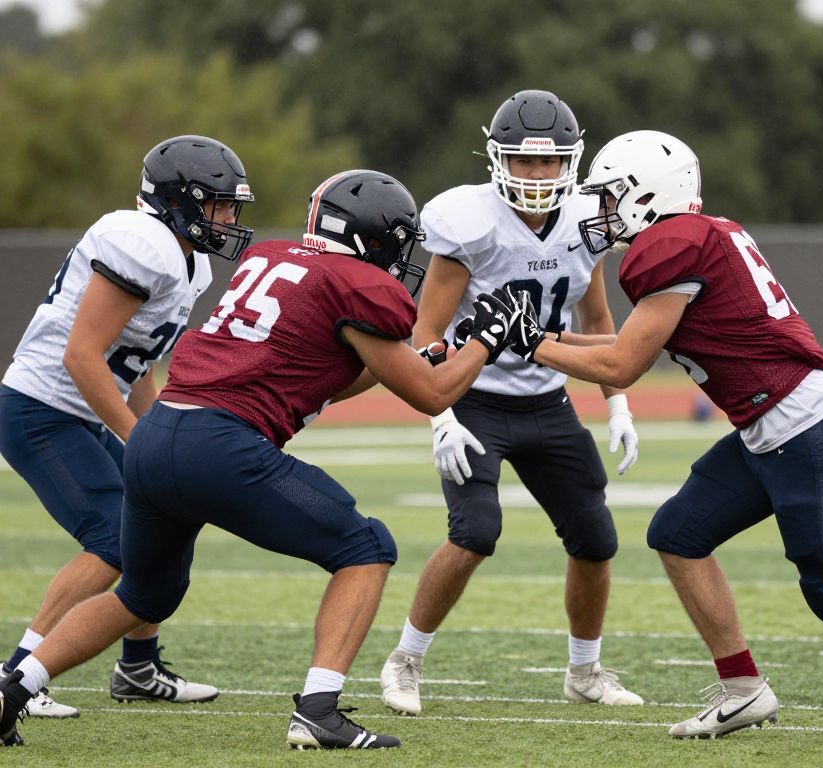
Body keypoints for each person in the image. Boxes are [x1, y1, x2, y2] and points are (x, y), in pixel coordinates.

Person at [498, 129, 823, 739]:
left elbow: (621, 367)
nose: (603, 212)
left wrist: (536, 342)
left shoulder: (669, 248)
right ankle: (743, 689)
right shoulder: (699, 235)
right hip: (772, 425)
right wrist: (530, 338)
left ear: (647, 196)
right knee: (678, 533)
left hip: (805, 427)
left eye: (612, 197)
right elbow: (624, 344)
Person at [0, 169, 521, 750]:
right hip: (222, 446)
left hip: (157, 435)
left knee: (142, 596)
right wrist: (487, 341)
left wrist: (438, 353)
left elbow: (339, 376)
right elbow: (433, 394)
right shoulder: (358, 286)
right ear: (378, 239)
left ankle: (14, 686)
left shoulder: (273, 258)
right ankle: (319, 710)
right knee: (366, 549)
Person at [378, 89, 643, 717]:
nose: (537, 174)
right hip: (474, 400)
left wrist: (618, 405)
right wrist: (439, 415)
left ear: (570, 163)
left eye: (549, 163)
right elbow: (427, 334)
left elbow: (600, 318)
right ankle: (405, 659)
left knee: (595, 538)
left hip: (548, 402)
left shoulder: (586, 223)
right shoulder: (469, 222)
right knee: (475, 532)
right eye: (524, 162)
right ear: (498, 160)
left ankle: (585, 671)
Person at [0, 135, 254, 717]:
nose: (227, 219)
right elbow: (82, 356)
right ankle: (19, 672)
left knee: (164, 519)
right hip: (43, 409)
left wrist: (161, 428)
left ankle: (138, 666)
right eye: (216, 205)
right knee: (114, 540)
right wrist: (138, 438)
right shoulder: (143, 242)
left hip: (84, 411)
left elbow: (133, 361)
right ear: (177, 201)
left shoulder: (190, 263)